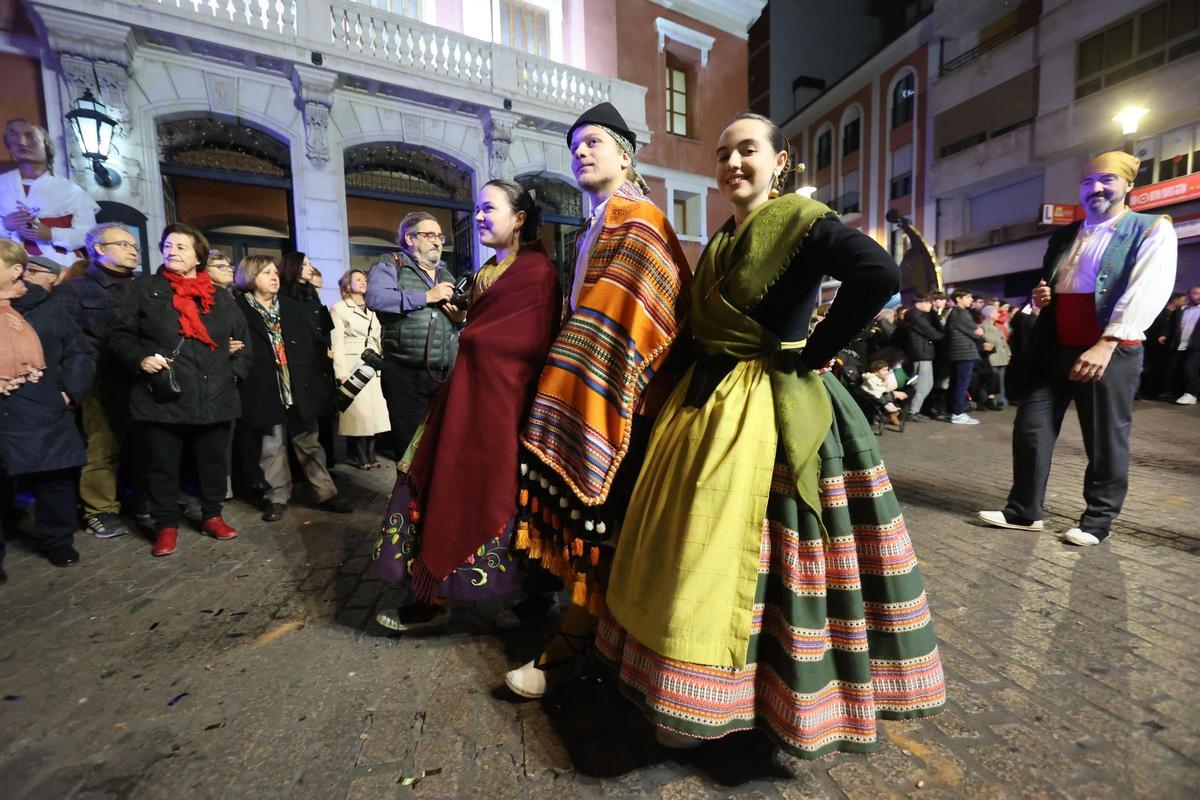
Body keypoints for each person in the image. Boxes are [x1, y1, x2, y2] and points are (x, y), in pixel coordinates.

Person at [599, 112, 945, 755]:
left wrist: (815, 351)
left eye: (748, 151)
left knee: (760, 557)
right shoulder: (724, 241)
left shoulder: (803, 222)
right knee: (695, 547)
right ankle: (693, 689)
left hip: (769, 407)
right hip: (705, 406)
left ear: (779, 161)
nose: (733, 162)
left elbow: (879, 275)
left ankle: (761, 698)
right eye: (724, 152)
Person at [503, 101, 692, 697]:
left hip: (624, 396)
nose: (581, 153)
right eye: (575, 146)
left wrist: (575, 374)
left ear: (626, 153)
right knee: (602, 526)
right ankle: (594, 640)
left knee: (605, 523)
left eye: (593, 142)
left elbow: (633, 314)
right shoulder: (595, 223)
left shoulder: (638, 220)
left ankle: (576, 647)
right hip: (600, 388)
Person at [372, 179, 561, 631]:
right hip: (464, 395)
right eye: (476, 209)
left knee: (509, 496)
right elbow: (481, 327)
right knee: (434, 484)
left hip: (506, 404)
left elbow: (526, 340)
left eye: (488, 208)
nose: (477, 217)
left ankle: (528, 599)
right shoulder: (485, 272)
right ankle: (432, 594)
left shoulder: (537, 272)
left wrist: (471, 331)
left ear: (519, 218)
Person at [978, 151, 1177, 547]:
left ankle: (1098, 519)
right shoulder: (1067, 234)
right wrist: (1042, 295)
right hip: (1056, 343)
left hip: (1108, 346)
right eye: (1088, 183)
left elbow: (1148, 289)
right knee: (1031, 427)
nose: (1097, 189)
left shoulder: (1151, 228)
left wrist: (1107, 342)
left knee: (1104, 436)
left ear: (1128, 186)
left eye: (1107, 180)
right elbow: (1058, 284)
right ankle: (1024, 511)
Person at [108, 223, 250, 556]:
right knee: (162, 465)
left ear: (198, 256)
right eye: (168, 246)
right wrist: (140, 358)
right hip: (163, 395)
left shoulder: (220, 297)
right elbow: (119, 336)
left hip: (215, 394)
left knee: (213, 462)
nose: (172, 252)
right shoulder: (144, 289)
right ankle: (166, 525)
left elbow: (243, 346)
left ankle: (212, 515)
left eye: (181, 247)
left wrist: (232, 376)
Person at [0, 240, 95, 579]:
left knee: (53, 478)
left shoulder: (48, 308)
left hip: (45, 407)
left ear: (14, 270)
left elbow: (80, 353)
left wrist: (69, 392)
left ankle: (58, 540)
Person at [234, 255, 351, 521]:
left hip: (299, 386)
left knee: (309, 443)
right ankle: (277, 496)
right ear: (250, 277)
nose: (274, 277)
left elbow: (314, 342)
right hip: (264, 387)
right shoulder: (238, 309)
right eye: (266, 273)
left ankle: (326, 492)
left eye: (275, 272)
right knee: (271, 447)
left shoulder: (290, 306)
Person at [54, 222, 141, 539]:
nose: (132, 250)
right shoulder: (75, 290)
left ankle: (136, 500)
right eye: (123, 244)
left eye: (134, 246)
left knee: (142, 445)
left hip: (143, 380)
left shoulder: (145, 286)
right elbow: (65, 343)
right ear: (99, 249)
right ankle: (99, 510)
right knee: (101, 448)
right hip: (100, 383)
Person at [365, 213, 463, 458]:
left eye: (440, 236)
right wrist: (427, 297)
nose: (438, 242)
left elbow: (457, 319)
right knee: (410, 450)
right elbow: (377, 298)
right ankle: (409, 496)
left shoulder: (445, 274)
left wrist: (460, 319)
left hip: (444, 374)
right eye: (429, 235)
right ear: (409, 238)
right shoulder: (391, 263)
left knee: (443, 448)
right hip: (405, 374)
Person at [0, 120, 98, 269]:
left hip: (60, 269)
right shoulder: (2, 185)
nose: (21, 142)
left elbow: (89, 235)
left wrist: (52, 235)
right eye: (13, 136)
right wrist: (5, 225)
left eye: (30, 136)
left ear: (46, 145)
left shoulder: (72, 191)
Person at [330, 269, 389, 469]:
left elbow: (380, 337)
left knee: (375, 412)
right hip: (353, 361)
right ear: (347, 284)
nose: (363, 282)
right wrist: (341, 372)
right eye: (358, 279)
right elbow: (337, 342)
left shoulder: (374, 308)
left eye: (365, 279)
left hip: (374, 362)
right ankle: (360, 454)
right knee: (358, 412)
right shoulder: (339, 308)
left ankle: (372, 453)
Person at [902, 293, 943, 420]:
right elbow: (931, 332)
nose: (931, 305)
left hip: (923, 353)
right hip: (921, 354)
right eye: (928, 302)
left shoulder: (917, 315)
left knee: (925, 384)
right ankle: (912, 412)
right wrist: (944, 336)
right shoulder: (916, 316)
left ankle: (914, 411)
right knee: (922, 385)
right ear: (918, 303)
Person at [945, 288, 983, 424]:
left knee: (956, 383)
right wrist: (979, 330)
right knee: (961, 384)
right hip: (963, 353)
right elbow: (976, 331)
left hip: (958, 354)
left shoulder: (955, 313)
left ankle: (952, 411)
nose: (971, 300)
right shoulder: (961, 313)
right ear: (959, 299)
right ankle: (958, 413)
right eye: (968, 297)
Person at [1161, 284, 1200, 405]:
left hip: (1196, 347)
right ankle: (1174, 391)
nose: (1197, 296)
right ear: (1189, 294)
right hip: (1178, 344)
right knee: (1174, 368)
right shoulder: (1181, 310)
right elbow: (1170, 325)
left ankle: (1190, 394)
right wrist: (1164, 334)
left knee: (1188, 368)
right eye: (1195, 293)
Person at [979, 304, 1012, 407]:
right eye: (995, 312)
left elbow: (1003, 341)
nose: (998, 314)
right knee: (992, 380)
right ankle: (989, 399)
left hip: (1001, 356)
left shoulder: (996, 326)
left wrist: (1008, 353)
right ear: (989, 314)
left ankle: (1000, 398)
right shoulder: (983, 326)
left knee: (1001, 379)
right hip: (991, 357)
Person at [862, 358, 907, 428]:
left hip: (879, 395)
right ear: (876, 372)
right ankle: (888, 405)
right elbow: (876, 389)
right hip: (871, 395)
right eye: (884, 370)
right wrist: (889, 391)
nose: (887, 372)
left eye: (887, 370)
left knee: (888, 394)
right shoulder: (870, 378)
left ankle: (890, 405)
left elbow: (885, 388)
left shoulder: (880, 379)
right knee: (885, 394)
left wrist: (885, 381)